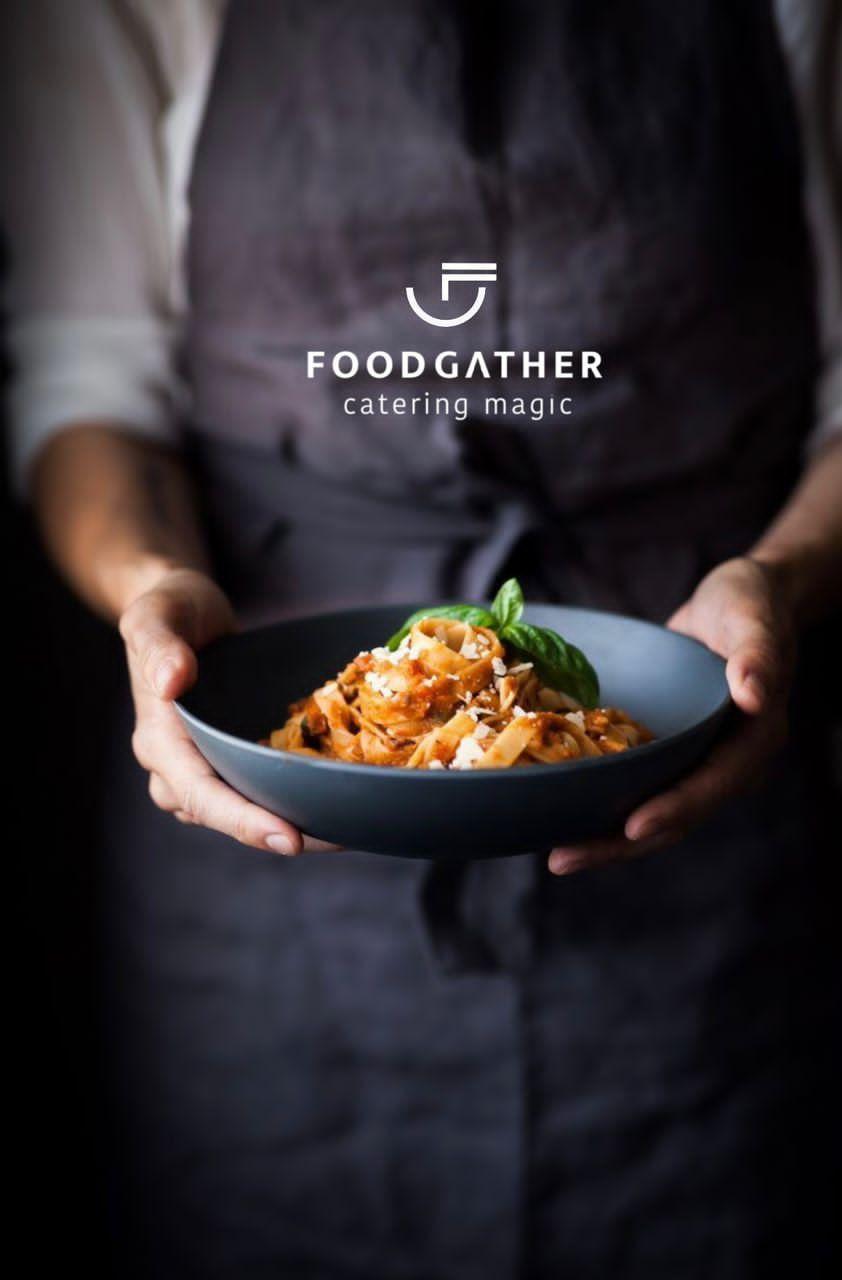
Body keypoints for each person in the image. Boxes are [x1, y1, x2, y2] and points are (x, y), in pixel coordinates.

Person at [3, 2, 841, 1276]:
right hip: (264, 871)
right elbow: (89, 378)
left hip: (704, 808)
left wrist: (774, 578)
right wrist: (150, 584)